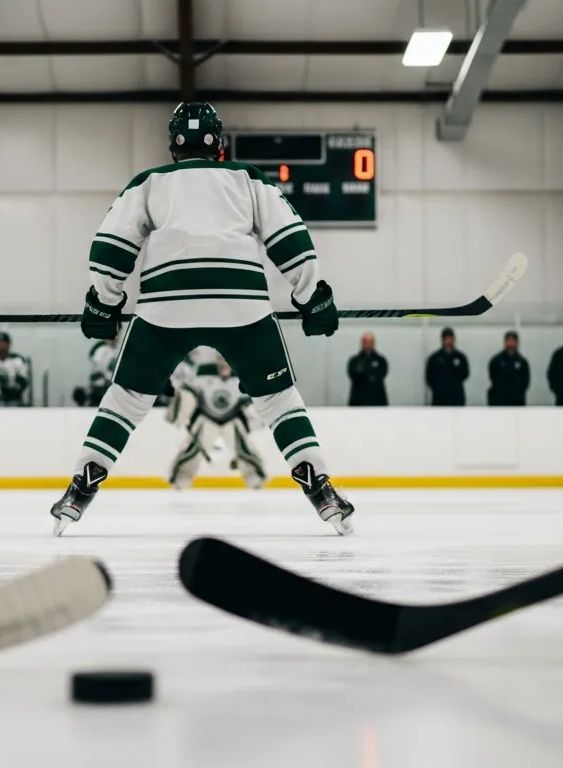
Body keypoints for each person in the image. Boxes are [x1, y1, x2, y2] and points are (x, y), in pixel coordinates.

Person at [48, 102, 353, 537]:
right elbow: (291, 240)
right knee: (278, 400)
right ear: (218, 143)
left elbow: (110, 247)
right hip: (241, 303)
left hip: (166, 305)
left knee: (126, 400)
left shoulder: (149, 182)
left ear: (173, 145)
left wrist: (105, 302)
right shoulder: (247, 178)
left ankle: (80, 490)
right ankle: (320, 490)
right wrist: (311, 297)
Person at [164, 349, 267, 490]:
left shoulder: (241, 378)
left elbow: (250, 401)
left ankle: (255, 479)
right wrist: (180, 413)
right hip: (207, 418)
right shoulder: (204, 373)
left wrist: (255, 419)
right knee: (192, 450)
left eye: (227, 361)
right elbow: (188, 392)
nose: (224, 364)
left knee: (243, 449)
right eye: (221, 360)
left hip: (232, 419)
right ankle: (180, 480)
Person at [0, 331, 31, 407]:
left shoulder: (17, 360)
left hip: (14, 399)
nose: (2, 345)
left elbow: (24, 381)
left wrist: (10, 382)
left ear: (9, 344)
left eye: (4, 343)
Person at [424, 327, 469, 406]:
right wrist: (438, 388)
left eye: (450, 339)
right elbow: (429, 377)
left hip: (457, 398)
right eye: (446, 339)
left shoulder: (460, 357)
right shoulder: (434, 358)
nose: (448, 341)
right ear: (442, 340)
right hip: (439, 399)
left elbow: (465, 374)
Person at [487, 330, 530, 406]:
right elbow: (493, 377)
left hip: (516, 400)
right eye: (509, 341)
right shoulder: (496, 361)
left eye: (513, 341)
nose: (511, 344)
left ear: (517, 343)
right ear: (504, 342)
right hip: (499, 400)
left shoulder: (522, 362)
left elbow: (525, 381)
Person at [347, 332, 389, 407]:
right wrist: (370, 375)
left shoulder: (381, 360)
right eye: (365, 342)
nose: (368, 345)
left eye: (370, 342)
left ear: (374, 344)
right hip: (358, 400)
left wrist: (364, 373)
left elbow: (380, 376)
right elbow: (354, 376)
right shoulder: (354, 361)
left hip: (377, 400)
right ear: (362, 344)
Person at [87, 335, 119, 407]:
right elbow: (103, 367)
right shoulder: (105, 350)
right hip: (101, 386)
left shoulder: (105, 350)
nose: (116, 341)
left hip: (99, 385)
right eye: (115, 339)